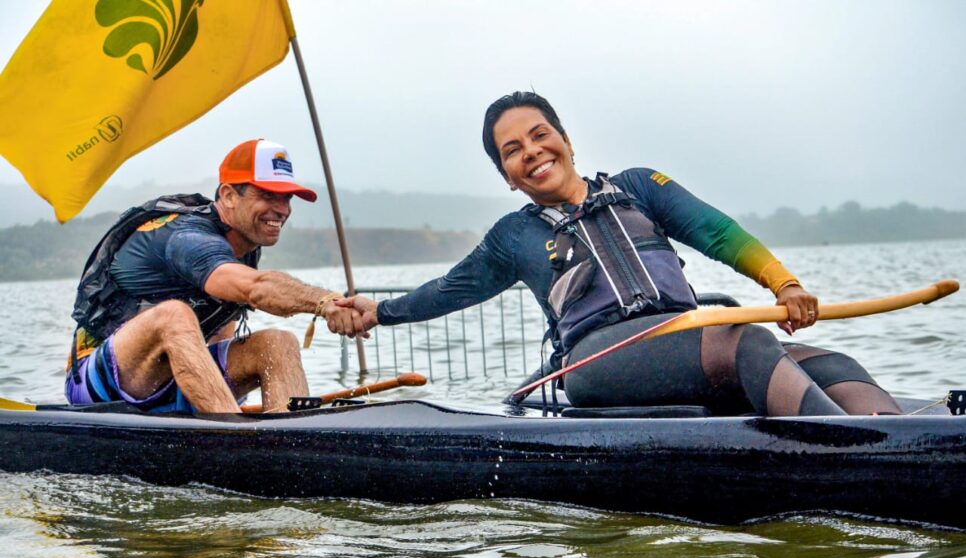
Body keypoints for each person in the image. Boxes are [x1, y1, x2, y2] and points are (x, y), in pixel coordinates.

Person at [337, 92, 901, 416]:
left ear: (566, 138)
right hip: (599, 360)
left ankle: (903, 441)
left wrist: (786, 286)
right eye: (513, 151)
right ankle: (855, 457)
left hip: (686, 336)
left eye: (540, 134)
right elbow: (447, 290)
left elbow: (719, 233)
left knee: (831, 364)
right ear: (507, 176)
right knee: (747, 341)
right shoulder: (513, 235)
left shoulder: (639, 186)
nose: (532, 152)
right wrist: (378, 311)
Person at [65, 139, 366, 414]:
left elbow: (222, 332)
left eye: (287, 198)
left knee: (279, 344)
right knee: (173, 315)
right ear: (229, 195)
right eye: (268, 195)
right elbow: (257, 289)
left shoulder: (244, 244)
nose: (282, 209)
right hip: (103, 382)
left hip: (175, 382)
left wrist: (229, 395)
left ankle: (289, 441)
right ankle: (236, 443)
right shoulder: (188, 238)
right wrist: (326, 302)